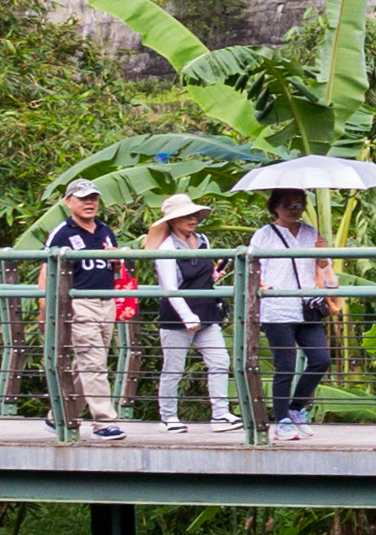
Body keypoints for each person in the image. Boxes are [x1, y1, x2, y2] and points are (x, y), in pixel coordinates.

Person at [39, 178, 130, 429]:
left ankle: (59, 414)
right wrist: (44, 307)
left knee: (90, 361)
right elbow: (47, 270)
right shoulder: (63, 232)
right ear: (69, 202)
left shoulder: (104, 230)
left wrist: (116, 260)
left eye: (93, 198)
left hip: (106, 301)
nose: (89, 202)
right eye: (82, 198)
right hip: (78, 302)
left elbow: (115, 264)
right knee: (93, 362)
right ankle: (104, 421)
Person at [247, 185, 337, 437]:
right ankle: (281, 419)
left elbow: (323, 267)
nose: (295, 210)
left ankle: (297, 407)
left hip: (307, 306)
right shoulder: (264, 234)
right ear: (275, 206)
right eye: (288, 204)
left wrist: (322, 253)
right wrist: (262, 285)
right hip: (277, 308)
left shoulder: (311, 233)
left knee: (321, 360)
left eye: (299, 205)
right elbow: (253, 266)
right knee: (285, 365)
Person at [144, 194, 240, 431]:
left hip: (206, 313)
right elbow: (169, 287)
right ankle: (168, 417)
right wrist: (187, 316)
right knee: (174, 368)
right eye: (185, 215)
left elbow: (203, 272)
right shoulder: (166, 247)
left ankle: (220, 414)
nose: (192, 219)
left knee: (220, 361)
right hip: (177, 316)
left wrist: (214, 274)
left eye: (194, 214)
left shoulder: (203, 240)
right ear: (172, 221)